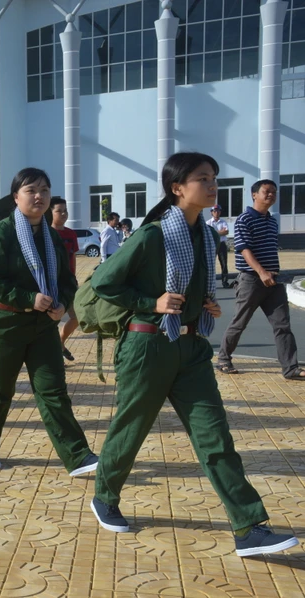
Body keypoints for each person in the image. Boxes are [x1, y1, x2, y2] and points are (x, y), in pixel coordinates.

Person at [89, 152, 299, 557]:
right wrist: (151, 301)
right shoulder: (152, 235)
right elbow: (103, 281)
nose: (213, 184)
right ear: (177, 188)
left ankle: (249, 527)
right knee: (130, 430)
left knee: (215, 435)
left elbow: (194, 288)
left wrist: (205, 305)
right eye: (203, 178)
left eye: (214, 178)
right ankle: (105, 495)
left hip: (191, 349)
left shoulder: (204, 235)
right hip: (148, 346)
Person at [0, 169, 96, 474]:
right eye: (31, 190)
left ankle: (77, 455)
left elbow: (67, 280)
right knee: (0, 390)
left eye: (44, 189)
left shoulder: (51, 235)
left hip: (42, 326)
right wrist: (29, 298)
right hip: (4, 324)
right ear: (16, 197)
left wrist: (63, 304)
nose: (38, 196)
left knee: (53, 390)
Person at [217, 179, 304, 380]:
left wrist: (270, 273)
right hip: (251, 280)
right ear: (254, 194)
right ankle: (223, 358)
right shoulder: (244, 219)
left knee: (282, 325)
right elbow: (243, 249)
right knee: (240, 322)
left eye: (274, 191)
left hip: (274, 281)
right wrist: (261, 272)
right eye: (267, 191)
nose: (271, 194)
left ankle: (290, 368)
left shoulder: (272, 221)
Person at [50, 197, 80, 361]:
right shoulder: (46, 233)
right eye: (58, 210)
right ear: (51, 213)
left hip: (69, 284)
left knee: (77, 317)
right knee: (51, 321)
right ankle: (54, 354)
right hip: (51, 284)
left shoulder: (70, 234)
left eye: (65, 210)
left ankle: (60, 342)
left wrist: (73, 278)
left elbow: (73, 257)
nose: (63, 213)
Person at [207, 204, 231, 288]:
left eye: (218, 211)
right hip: (212, 245)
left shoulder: (223, 222)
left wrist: (215, 233)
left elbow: (226, 232)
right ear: (211, 213)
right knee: (210, 264)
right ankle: (210, 283)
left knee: (224, 264)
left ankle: (225, 282)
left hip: (222, 245)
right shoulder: (208, 223)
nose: (216, 213)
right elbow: (208, 234)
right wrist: (220, 232)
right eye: (214, 211)